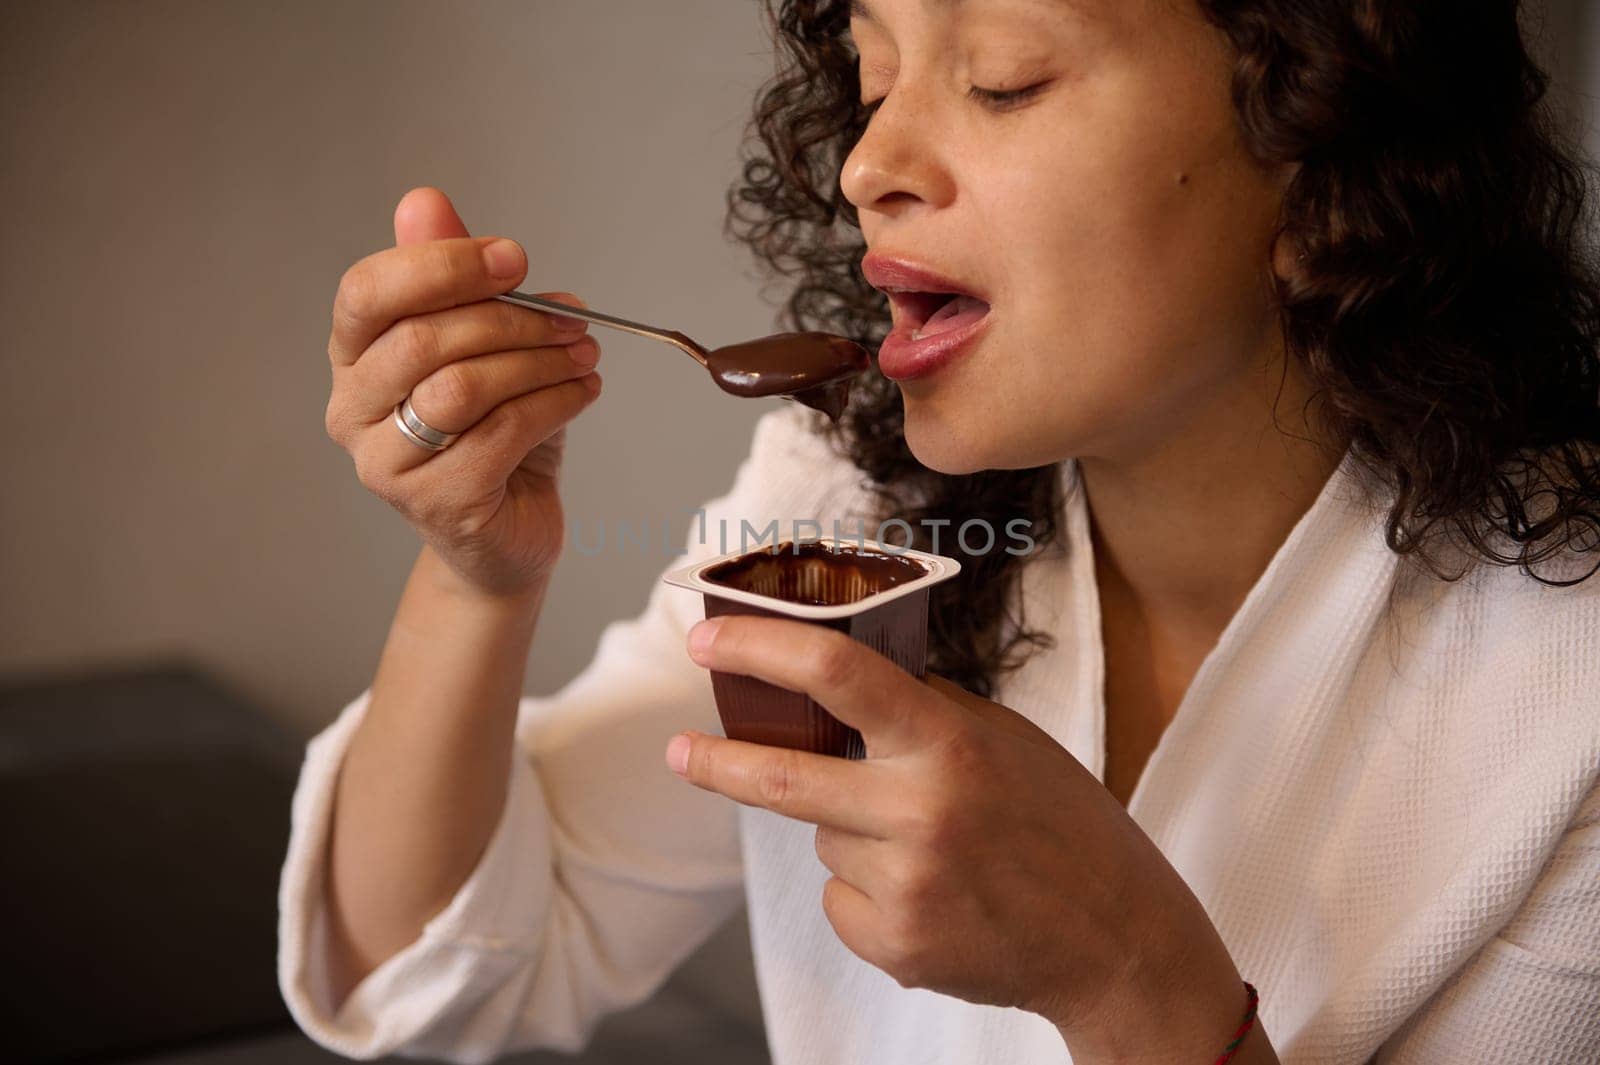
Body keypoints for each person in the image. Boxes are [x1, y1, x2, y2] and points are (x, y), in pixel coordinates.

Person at [278, 1, 1600, 1062]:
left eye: (1004, 78)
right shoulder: (844, 512)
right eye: (870, 77)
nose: (867, 167)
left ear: (1323, 155)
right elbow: (422, 972)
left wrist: (1126, 968)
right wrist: (476, 581)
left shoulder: (1566, 687)